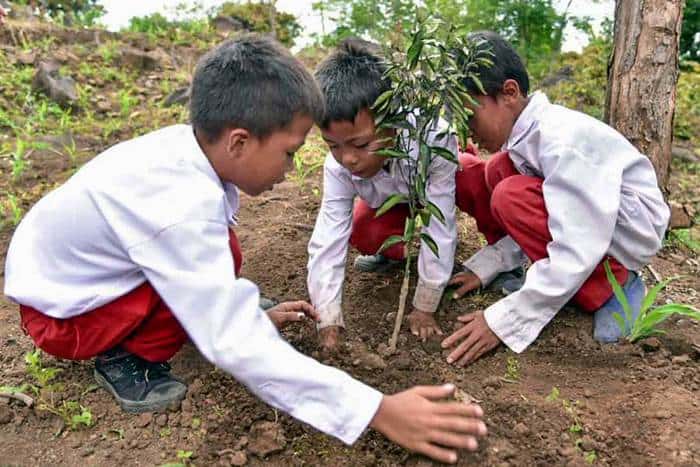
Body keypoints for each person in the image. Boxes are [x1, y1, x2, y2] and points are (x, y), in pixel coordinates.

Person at [4, 35, 486, 464]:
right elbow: (233, 342)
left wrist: (246, 312)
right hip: (65, 319)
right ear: (239, 141)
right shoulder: (179, 205)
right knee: (214, 282)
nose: (291, 168)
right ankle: (124, 361)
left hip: (92, 277)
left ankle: (183, 318)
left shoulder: (188, 156)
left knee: (225, 252)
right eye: (290, 152)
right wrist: (376, 409)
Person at [440, 31, 670, 367]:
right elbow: (549, 216)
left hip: (623, 234)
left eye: (471, 117)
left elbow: (577, 242)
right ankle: (555, 284)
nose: (468, 131)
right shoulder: (525, 137)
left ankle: (616, 285)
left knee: (509, 194)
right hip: (591, 222)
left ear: (509, 93)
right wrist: (488, 267)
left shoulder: (560, 140)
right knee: (498, 171)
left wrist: (503, 320)